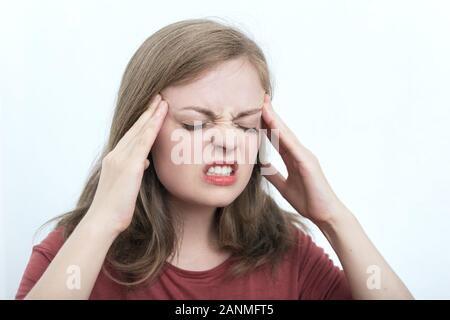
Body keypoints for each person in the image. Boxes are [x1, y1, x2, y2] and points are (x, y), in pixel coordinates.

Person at [16, 18, 413, 300]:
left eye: (245, 125)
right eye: (194, 125)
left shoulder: (288, 253)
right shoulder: (75, 253)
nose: (227, 142)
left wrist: (334, 218)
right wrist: (101, 224)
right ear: (140, 134)